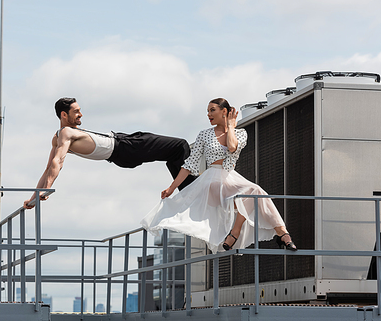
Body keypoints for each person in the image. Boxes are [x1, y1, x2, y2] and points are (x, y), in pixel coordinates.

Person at [140, 98, 297, 254]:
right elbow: (189, 165)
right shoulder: (204, 134)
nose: (208, 114)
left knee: (256, 194)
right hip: (211, 182)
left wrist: (230, 127)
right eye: (207, 111)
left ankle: (279, 234)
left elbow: (232, 147)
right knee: (255, 191)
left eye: (212, 110)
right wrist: (171, 188)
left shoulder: (240, 133)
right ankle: (274, 233)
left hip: (230, 178)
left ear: (224, 112)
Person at [23, 97, 196, 208]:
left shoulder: (58, 137)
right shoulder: (65, 133)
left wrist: (34, 198)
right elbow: (56, 164)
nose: (80, 114)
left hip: (123, 148)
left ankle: (188, 190)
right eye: (76, 112)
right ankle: (193, 192)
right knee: (179, 145)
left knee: (173, 154)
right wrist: (45, 189)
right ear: (63, 115)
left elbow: (47, 170)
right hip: (127, 147)